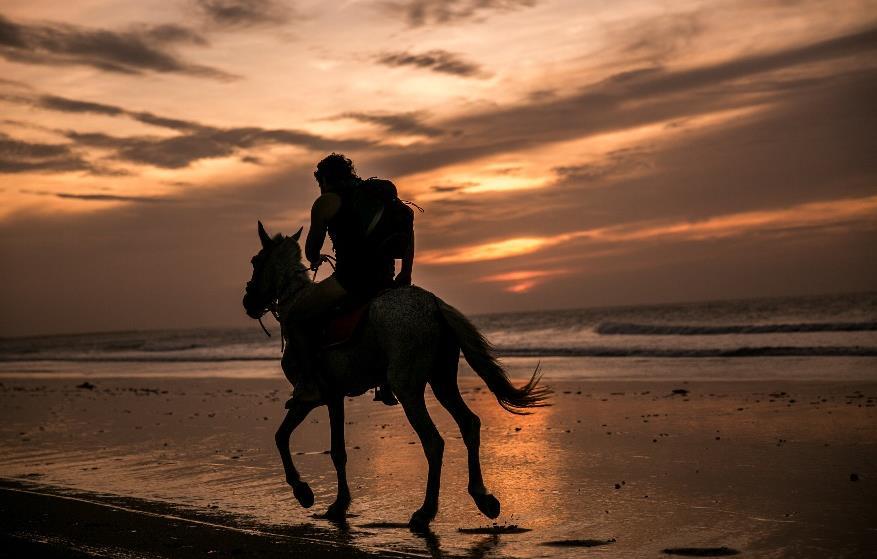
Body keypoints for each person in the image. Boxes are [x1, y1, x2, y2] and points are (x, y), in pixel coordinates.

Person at [286, 153, 413, 405]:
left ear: (323, 179)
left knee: (295, 317)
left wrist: (314, 257)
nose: (320, 188)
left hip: (350, 281)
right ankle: (386, 383)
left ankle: (309, 385)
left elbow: (311, 249)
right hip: (386, 279)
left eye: (320, 182)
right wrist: (405, 272)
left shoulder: (326, 202)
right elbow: (407, 226)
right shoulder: (376, 195)